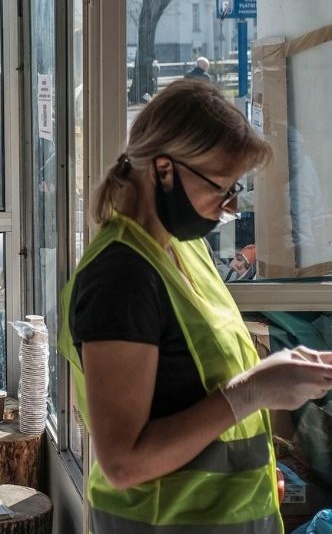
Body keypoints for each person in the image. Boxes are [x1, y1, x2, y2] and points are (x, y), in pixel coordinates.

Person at [57, 79, 332, 533]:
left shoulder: (182, 250)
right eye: (220, 188)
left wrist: (285, 373)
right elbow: (123, 462)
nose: (228, 207)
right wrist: (254, 391)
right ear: (164, 169)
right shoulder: (120, 277)